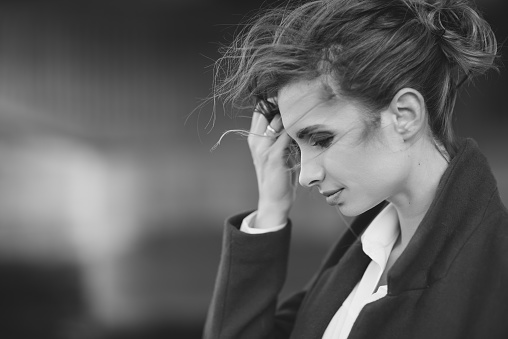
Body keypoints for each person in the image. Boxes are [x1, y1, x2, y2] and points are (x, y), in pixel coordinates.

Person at [203, 0, 508, 338]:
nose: (304, 176)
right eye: (295, 146)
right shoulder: (360, 256)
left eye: (320, 139)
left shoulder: (494, 275)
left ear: (404, 116)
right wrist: (270, 211)